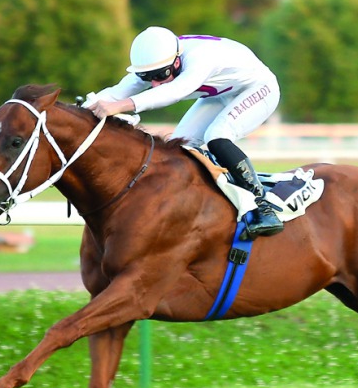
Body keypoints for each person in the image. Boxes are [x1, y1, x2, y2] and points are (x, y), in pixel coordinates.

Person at [87, 26, 284, 236]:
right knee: (178, 147)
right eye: (147, 77)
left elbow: (174, 91)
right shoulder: (159, 60)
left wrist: (120, 106)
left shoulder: (200, 57)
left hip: (258, 88)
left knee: (216, 136)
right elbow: (115, 93)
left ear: (177, 61)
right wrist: (77, 112)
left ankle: (263, 207)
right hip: (221, 93)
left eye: (160, 75)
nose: (155, 83)